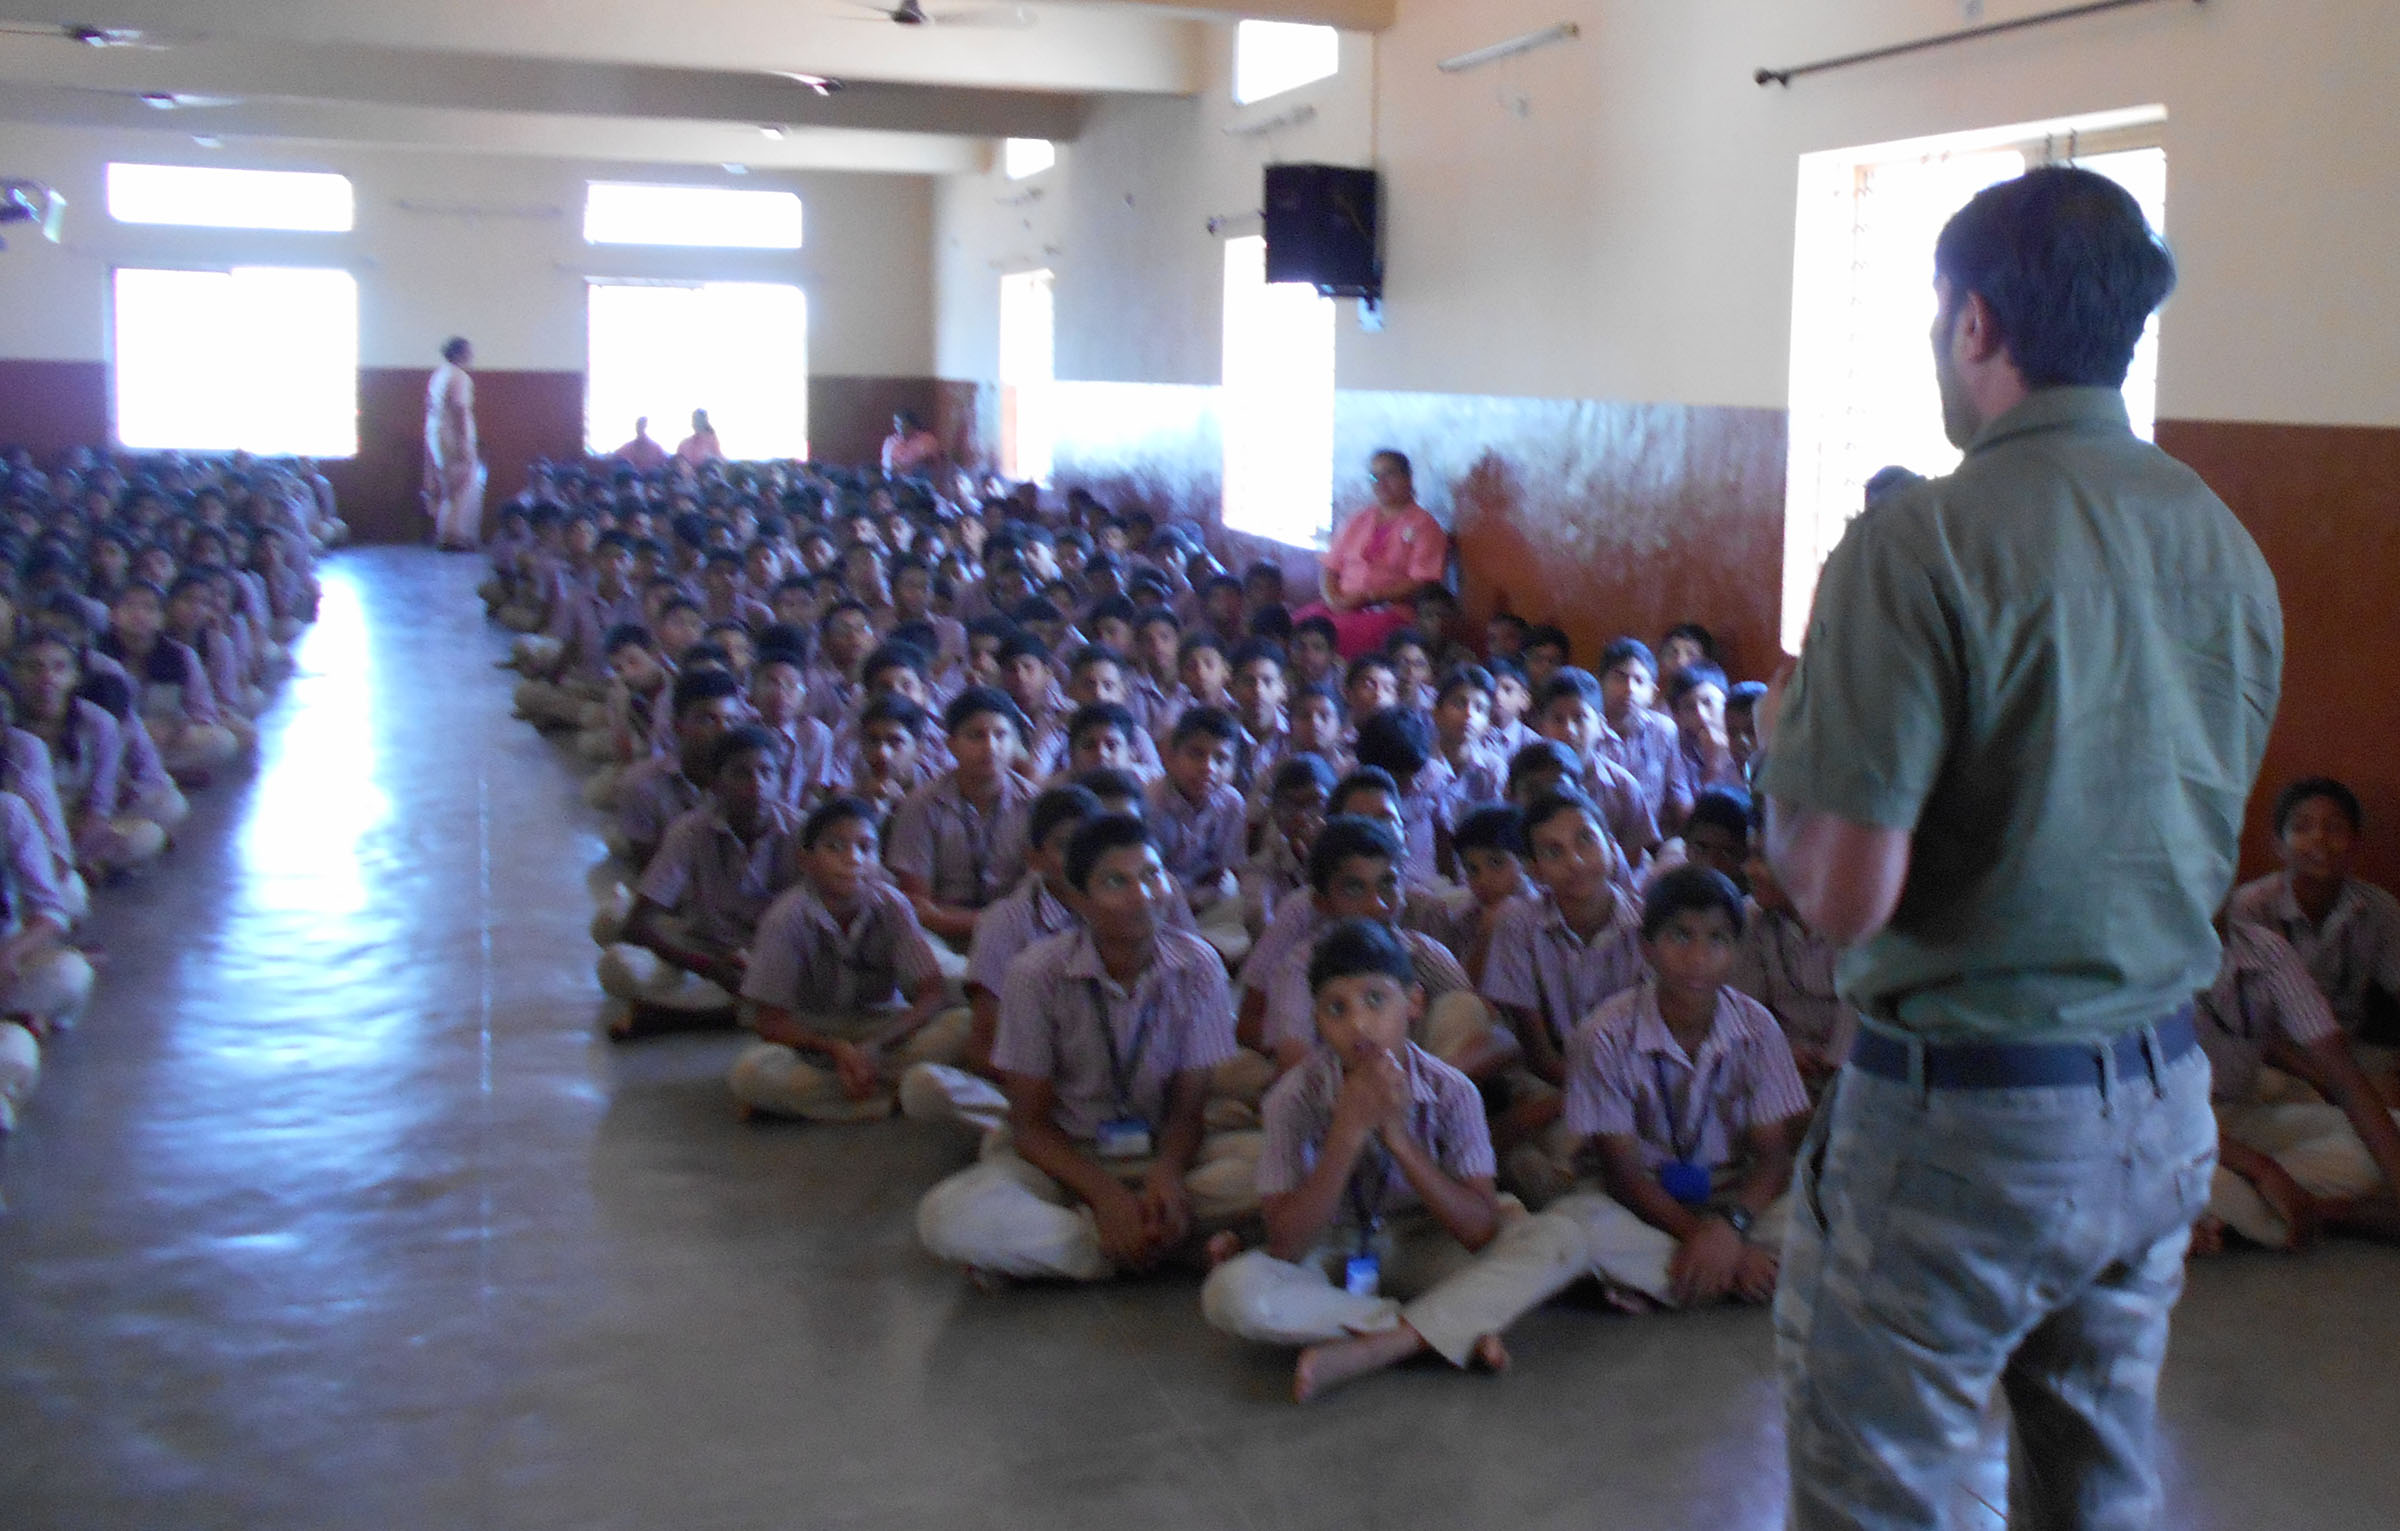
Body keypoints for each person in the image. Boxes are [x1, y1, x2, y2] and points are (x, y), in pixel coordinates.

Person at [1759, 166, 2283, 1528]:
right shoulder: (2221, 541)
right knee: (2098, 1478)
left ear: (1976, 323)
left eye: (1940, 315)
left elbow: (1841, 894)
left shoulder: (1917, 542)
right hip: (2162, 1098)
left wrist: (1786, 755)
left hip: (1965, 1122)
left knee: (1890, 1484)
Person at [1201, 918, 1543, 1403]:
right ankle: (1438, 1329)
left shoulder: (1452, 1091)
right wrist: (1347, 1131)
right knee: (1230, 1294)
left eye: (1376, 1000)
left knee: (1557, 1239)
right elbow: (1289, 1245)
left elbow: (1477, 1229)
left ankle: (1374, 1339)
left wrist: (1398, 1139)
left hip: (1424, 1239)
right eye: (1337, 1009)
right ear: (1318, 1021)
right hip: (1333, 1247)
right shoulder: (1292, 1099)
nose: (1358, 1025)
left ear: (1414, 1004)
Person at [913, 814, 1259, 1284]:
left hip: (1162, 1147)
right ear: (1078, 900)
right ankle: (1158, 1245)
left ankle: (1081, 1248)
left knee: (1278, 1169)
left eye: (1152, 876)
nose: (1142, 895)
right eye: (1116, 882)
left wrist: (1168, 1174)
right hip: (1067, 1156)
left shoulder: (1198, 966)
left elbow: (1189, 1109)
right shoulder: (1036, 974)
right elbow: (1030, 1124)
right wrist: (1106, 1197)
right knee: (946, 1218)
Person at [728, 797, 967, 1122]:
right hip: (813, 1033)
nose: (852, 859)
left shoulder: (892, 906)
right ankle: (891, 1098)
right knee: (751, 1073)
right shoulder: (787, 918)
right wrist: (836, 1049)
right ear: (806, 860)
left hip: (881, 1024)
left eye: (865, 848)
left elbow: (931, 991)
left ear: (877, 859)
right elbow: (769, 1021)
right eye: (835, 847)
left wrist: (874, 1046)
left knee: (964, 1025)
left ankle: (836, 1097)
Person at [2191, 918, 2400, 1253]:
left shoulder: (2265, 950)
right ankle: (2309, 1209)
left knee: (2389, 1137)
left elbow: (2340, 1072)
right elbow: (2144, 1113)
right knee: (2183, 1182)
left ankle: (2243, 1215)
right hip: (2158, 1138)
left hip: (2233, 1113)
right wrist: (2261, 1168)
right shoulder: (2135, 956)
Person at [2227, 777, 2400, 1081]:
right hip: (2271, 1058)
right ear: (2278, 845)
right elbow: (2241, 1021)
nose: (2319, 838)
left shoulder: (2377, 909)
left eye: (2334, 828)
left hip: (2347, 1051)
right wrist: (2328, 1083)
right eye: (2302, 828)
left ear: (2355, 843)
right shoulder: (2251, 908)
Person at [1304, 451, 1449, 659]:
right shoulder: (1358, 519)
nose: (1380, 483)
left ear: (1408, 478)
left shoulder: (1424, 525)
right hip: (1343, 604)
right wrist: (1332, 600)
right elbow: (1330, 567)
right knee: (1302, 625)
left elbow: (1422, 581)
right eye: (1374, 477)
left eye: (1389, 474)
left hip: (1390, 609)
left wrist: (1368, 597)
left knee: (1341, 636)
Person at [424, 336, 484, 552]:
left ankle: (448, 533)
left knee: (450, 484)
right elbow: (460, 410)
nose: (472, 355)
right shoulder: (459, 377)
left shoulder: (439, 374)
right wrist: (465, 445)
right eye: (469, 351)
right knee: (461, 485)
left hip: (437, 434)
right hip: (453, 437)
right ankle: (453, 536)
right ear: (459, 353)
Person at [881, 410, 945, 480]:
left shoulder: (927, 440)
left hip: (921, 481)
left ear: (912, 425)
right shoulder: (890, 441)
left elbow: (934, 464)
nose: (899, 427)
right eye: (896, 423)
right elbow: (887, 467)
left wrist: (911, 466)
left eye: (903, 424)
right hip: (896, 482)